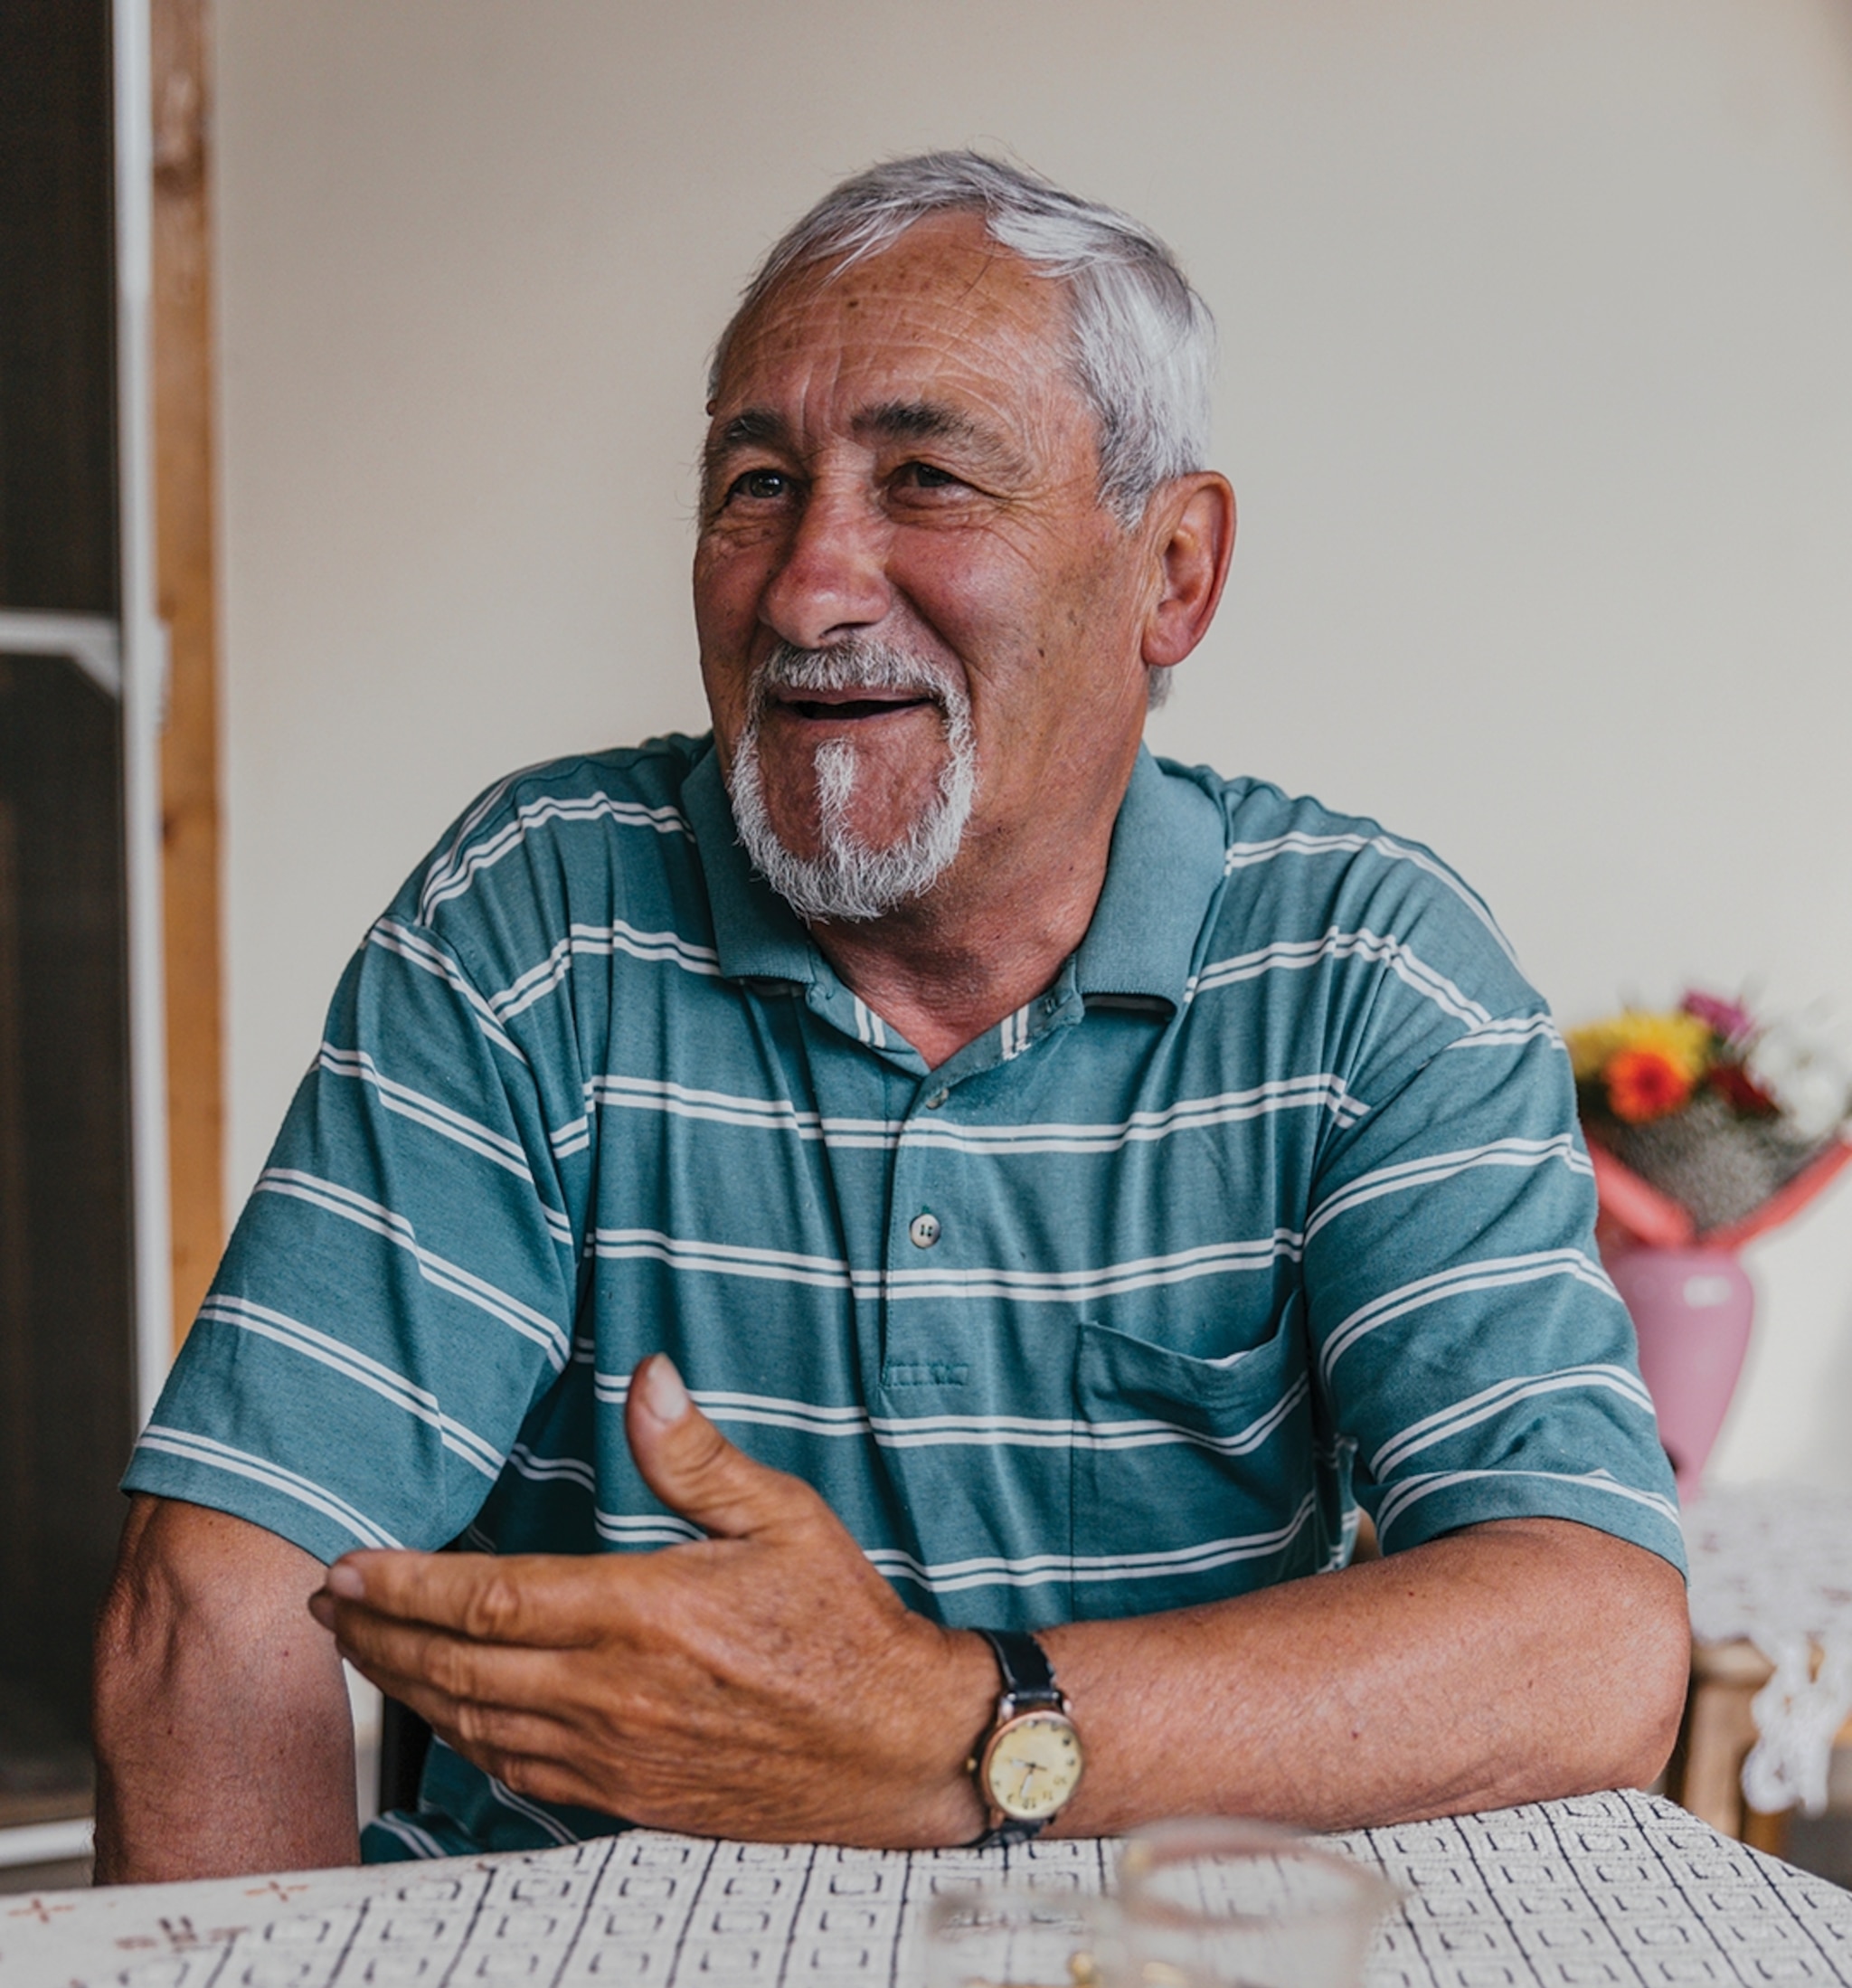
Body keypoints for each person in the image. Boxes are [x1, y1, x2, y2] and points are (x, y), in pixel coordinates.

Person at [94, 152, 1689, 1882]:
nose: (805, 585)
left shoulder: (1367, 970)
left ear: (1174, 572)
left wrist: (957, 1729)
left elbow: (1588, 1641)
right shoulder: (539, 911)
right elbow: (217, 1605)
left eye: (925, 478)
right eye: (756, 485)